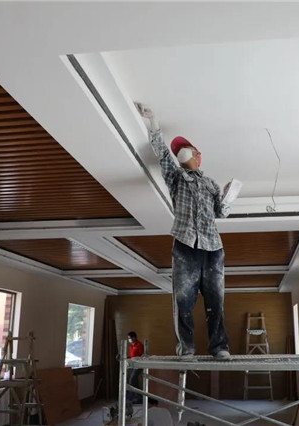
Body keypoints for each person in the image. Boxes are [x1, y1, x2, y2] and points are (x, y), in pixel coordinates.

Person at [138, 104, 231, 361]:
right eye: (179, 149)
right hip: (185, 245)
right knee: (183, 300)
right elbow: (163, 155)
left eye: (186, 148)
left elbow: (221, 213)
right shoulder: (177, 178)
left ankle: (219, 347)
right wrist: (153, 123)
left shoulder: (211, 184)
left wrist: (227, 196)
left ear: (198, 155)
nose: (181, 151)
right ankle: (187, 348)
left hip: (213, 248)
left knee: (216, 300)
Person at [127, 331, 144, 403]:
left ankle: (138, 397)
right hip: (133, 365)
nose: (129, 339)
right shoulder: (131, 346)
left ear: (134, 337)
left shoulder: (139, 345)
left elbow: (143, 355)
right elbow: (132, 356)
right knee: (133, 381)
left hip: (138, 365)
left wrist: (138, 360)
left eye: (130, 338)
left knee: (132, 379)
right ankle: (136, 396)